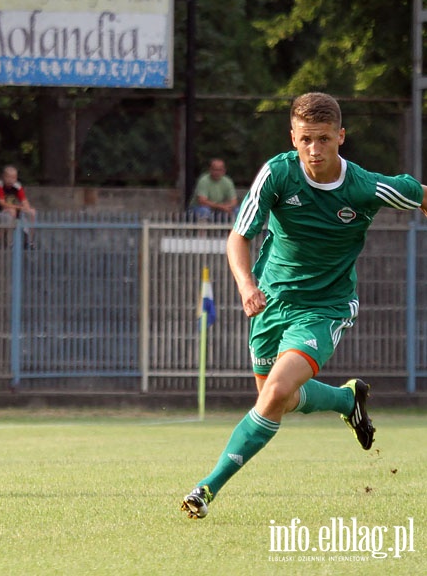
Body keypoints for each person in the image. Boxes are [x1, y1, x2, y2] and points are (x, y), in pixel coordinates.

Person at [180, 92, 427, 520]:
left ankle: (207, 487)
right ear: (293, 137)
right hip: (270, 304)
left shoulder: (366, 187)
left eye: (325, 139)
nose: (315, 149)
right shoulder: (278, 174)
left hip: (324, 308)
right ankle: (345, 400)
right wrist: (245, 285)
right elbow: (239, 236)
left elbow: (421, 195)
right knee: (275, 398)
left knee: (274, 394)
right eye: (307, 139)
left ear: (341, 137)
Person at [0, 165, 37, 246]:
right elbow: (2, 203)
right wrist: (19, 207)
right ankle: (9, 241)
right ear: (3, 177)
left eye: (13, 177)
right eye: (8, 177)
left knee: (32, 212)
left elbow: (24, 201)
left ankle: (30, 240)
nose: (10, 180)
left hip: (14, 209)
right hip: (0, 211)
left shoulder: (17, 186)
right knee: (12, 212)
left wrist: (27, 208)